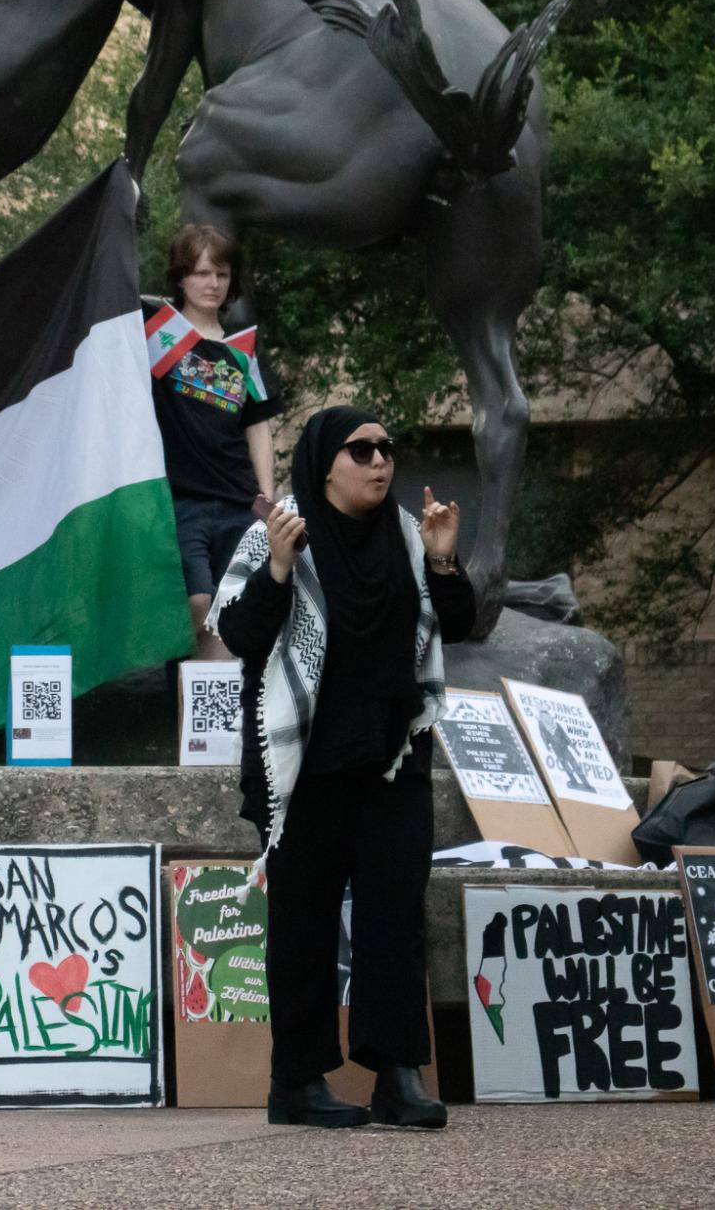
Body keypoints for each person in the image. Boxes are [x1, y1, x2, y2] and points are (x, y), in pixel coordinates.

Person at [212, 406, 474, 1129]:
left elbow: (453, 625)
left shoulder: (406, 535)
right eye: (362, 451)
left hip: (392, 760)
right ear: (325, 462)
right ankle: (295, 1083)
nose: (380, 461)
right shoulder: (283, 531)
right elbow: (238, 633)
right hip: (304, 765)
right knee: (302, 923)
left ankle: (396, 1075)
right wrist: (277, 567)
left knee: (394, 920)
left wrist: (443, 558)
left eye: (387, 449)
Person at [150, 225, 281, 660]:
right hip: (180, 499)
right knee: (196, 601)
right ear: (181, 277)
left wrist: (267, 497)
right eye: (202, 273)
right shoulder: (154, 335)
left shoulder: (243, 349)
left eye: (221, 274)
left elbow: (258, 424)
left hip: (238, 499)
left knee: (233, 607)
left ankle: (208, 722)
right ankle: (186, 702)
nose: (212, 284)